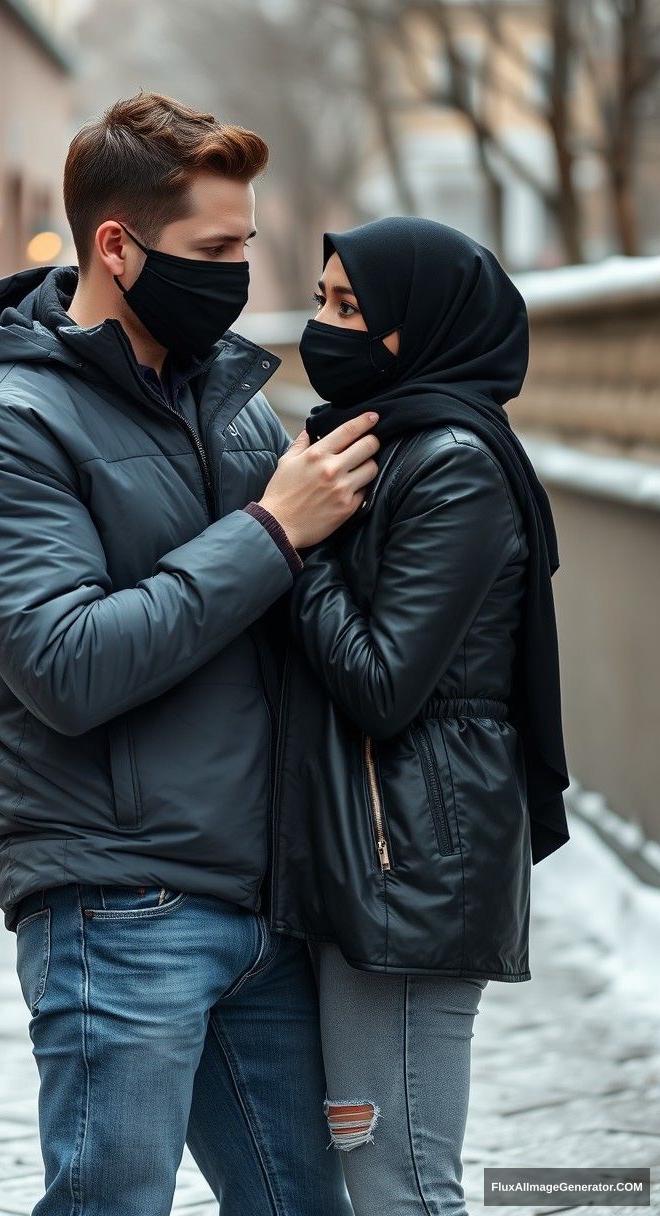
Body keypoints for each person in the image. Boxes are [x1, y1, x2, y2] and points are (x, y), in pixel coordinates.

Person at [0, 93, 379, 1216]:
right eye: (214, 250)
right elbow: (70, 663)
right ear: (116, 247)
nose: (237, 274)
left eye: (245, 246)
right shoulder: (3, 424)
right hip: (120, 905)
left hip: (267, 904)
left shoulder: (229, 401)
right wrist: (271, 529)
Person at [269, 217, 571, 1216]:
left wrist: (292, 545)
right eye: (321, 300)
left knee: (401, 1184)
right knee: (381, 1171)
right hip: (378, 858)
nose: (323, 327)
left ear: (423, 325)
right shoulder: (380, 445)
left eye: (351, 309)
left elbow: (383, 682)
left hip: (410, 872)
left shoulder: (450, 462)